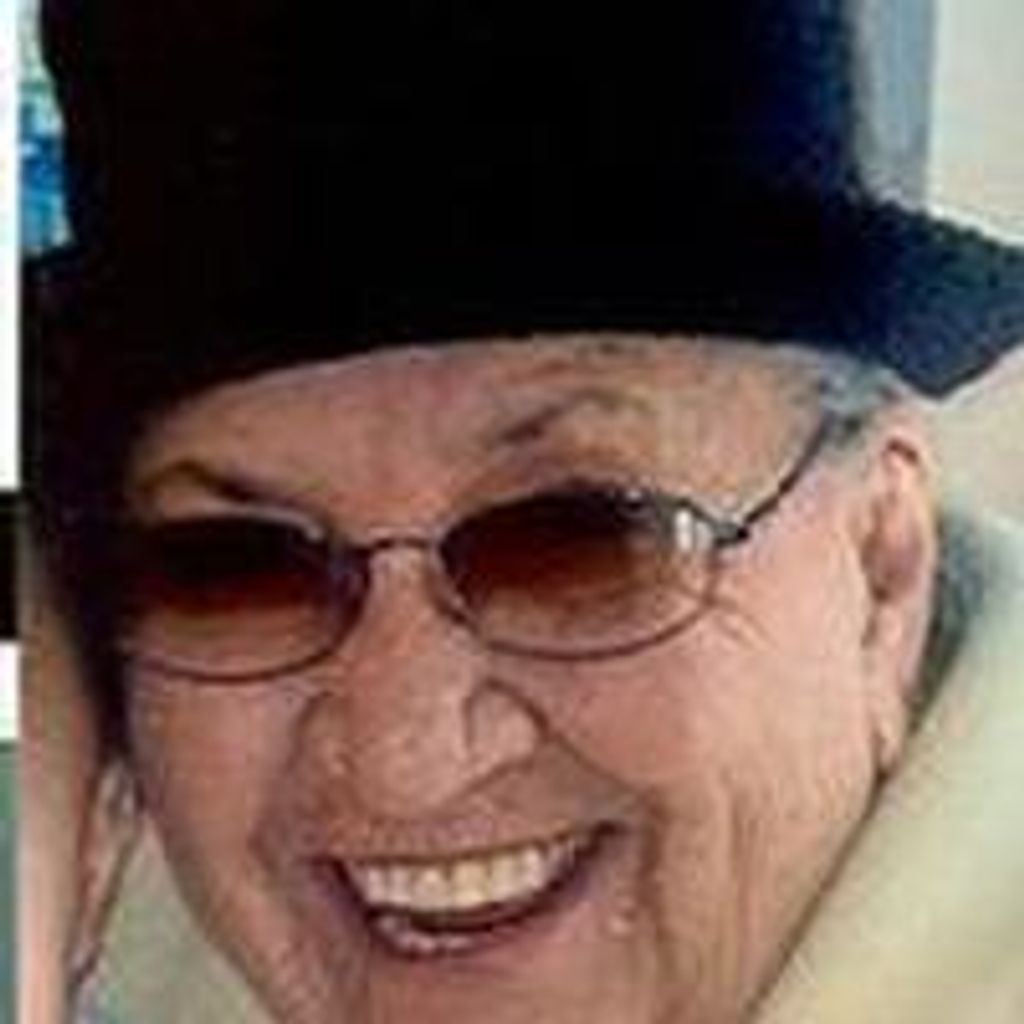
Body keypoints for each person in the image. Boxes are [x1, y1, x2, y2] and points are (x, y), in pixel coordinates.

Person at [27, 1, 1024, 1022]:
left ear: (880, 570)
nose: (407, 763)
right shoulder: (103, 927)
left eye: (574, 542)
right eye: (234, 571)